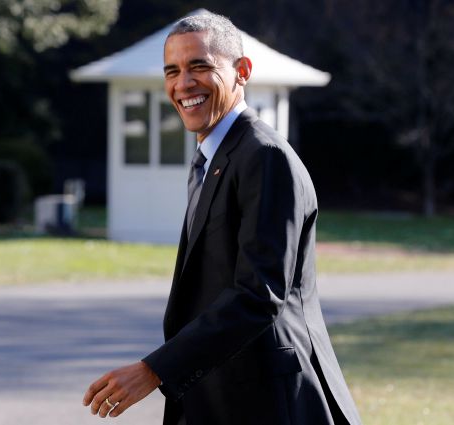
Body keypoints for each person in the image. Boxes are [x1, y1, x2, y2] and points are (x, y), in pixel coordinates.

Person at [83, 11, 362, 425]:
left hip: (270, 403)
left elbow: (257, 295)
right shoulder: (213, 158)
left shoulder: (264, 158)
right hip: (216, 395)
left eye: (200, 66)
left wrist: (154, 370)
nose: (183, 84)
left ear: (242, 71)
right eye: (172, 71)